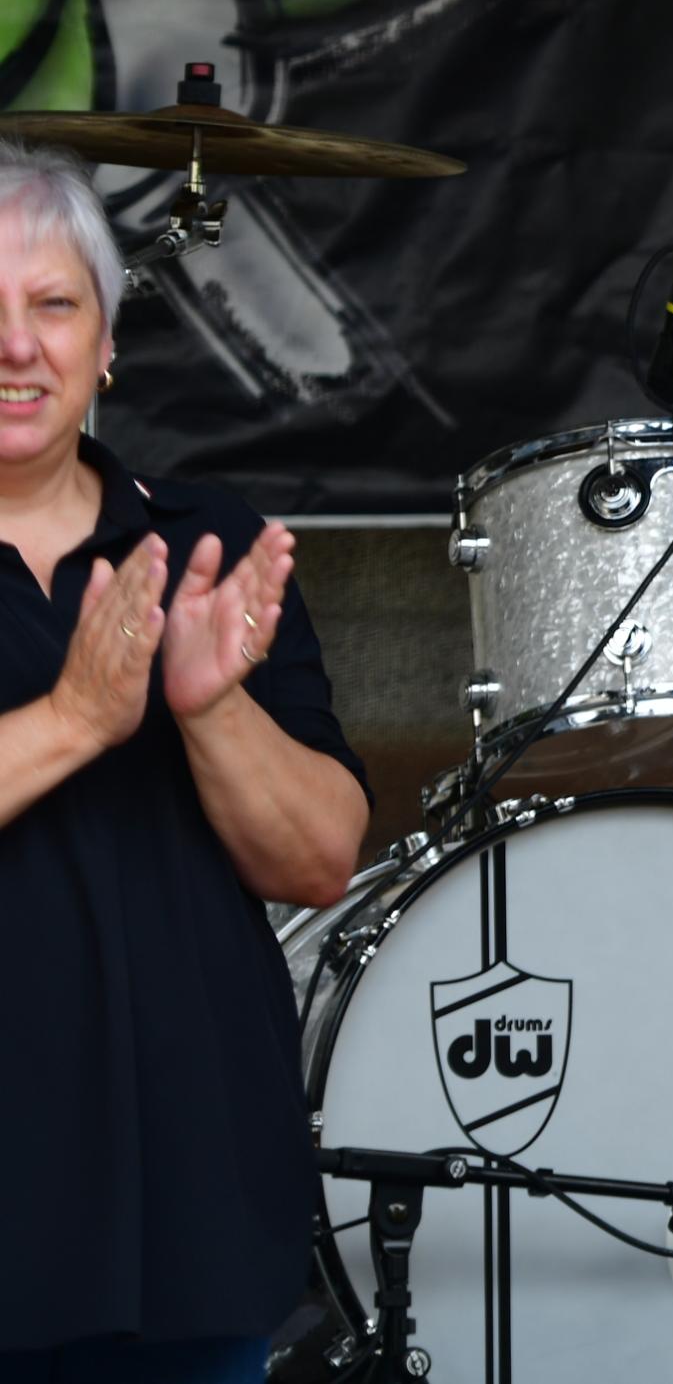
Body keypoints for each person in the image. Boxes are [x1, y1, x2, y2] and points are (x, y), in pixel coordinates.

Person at [0, 140, 369, 1380]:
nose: (17, 346)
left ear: (106, 344)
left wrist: (211, 712)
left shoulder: (206, 546)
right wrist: (76, 719)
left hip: (190, 1209)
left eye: (55, 306)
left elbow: (318, 860)